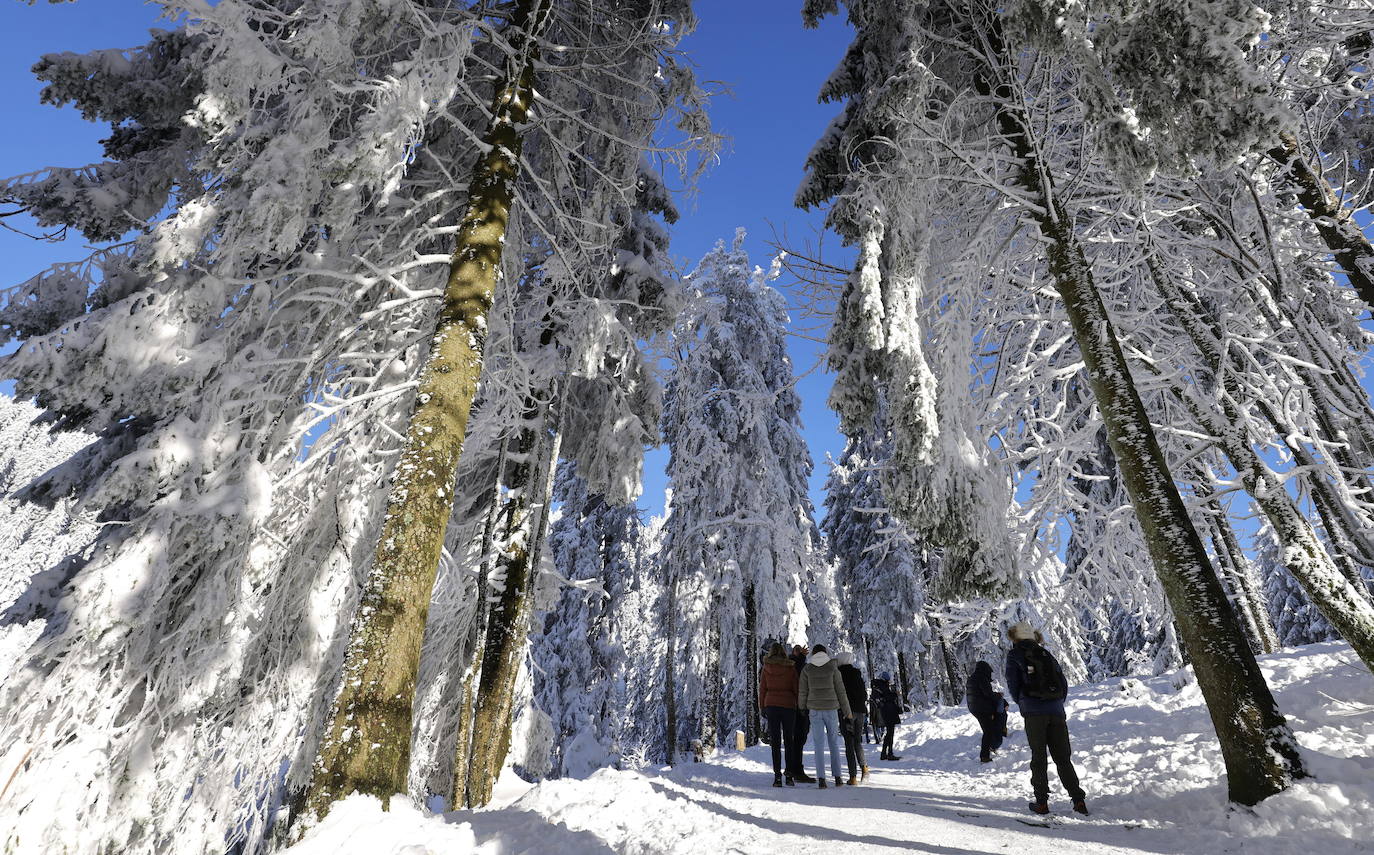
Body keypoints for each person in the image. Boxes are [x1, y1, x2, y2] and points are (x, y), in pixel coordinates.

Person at [1005, 621, 1089, 816]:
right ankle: (1078, 801)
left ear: (1015, 637)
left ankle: (1041, 802)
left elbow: (1013, 685)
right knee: (1063, 758)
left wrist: (1025, 703)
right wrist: (1057, 704)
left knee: (1039, 757)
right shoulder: (1045, 654)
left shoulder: (1015, 654)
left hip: (1034, 713)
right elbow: (1063, 683)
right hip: (1056, 711)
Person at [798, 644, 852, 788]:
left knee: (818, 744)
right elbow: (841, 691)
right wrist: (847, 711)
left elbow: (803, 691)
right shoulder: (833, 668)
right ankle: (838, 777)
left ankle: (821, 779)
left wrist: (802, 707)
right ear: (826, 653)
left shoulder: (807, 669)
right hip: (831, 709)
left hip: (814, 710)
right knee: (834, 742)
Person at [759, 642, 799, 787]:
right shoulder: (790, 667)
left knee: (775, 742)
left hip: (771, 706)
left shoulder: (766, 668)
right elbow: (796, 687)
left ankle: (777, 777)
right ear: (783, 652)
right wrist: (798, 703)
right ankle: (789, 775)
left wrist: (762, 707)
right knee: (789, 741)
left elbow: (762, 689)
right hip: (788, 706)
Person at [836, 652, 869, 784]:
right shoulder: (858, 674)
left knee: (848, 743)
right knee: (857, 741)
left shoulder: (839, 674)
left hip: (846, 712)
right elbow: (864, 694)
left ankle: (853, 776)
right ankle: (864, 767)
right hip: (860, 711)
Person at [965, 660, 1006, 763]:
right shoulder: (981, 678)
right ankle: (985, 756)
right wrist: (999, 695)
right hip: (982, 708)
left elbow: (982, 694)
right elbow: (988, 694)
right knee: (988, 731)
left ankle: (991, 746)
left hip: (975, 708)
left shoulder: (973, 678)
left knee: (988, 729)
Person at [786, 644, 815, 783]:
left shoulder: (792, 664)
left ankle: (794, 769)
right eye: (798, 651)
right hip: (800, 707)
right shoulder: (796, 665)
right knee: (798, 739)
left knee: (797, 739)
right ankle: (796, 770)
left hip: (795, 706)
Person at [870, 673, 902, 761]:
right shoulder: (882, 686)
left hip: (885, 712)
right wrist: (895, 694)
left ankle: (884, 753)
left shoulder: (877, 686)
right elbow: (888, 697)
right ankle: (889, 753)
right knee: (890, 733)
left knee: (889, 733)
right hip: (888, 712)